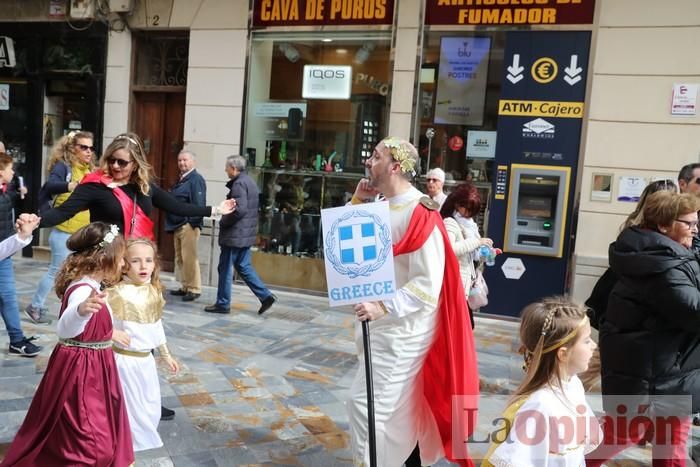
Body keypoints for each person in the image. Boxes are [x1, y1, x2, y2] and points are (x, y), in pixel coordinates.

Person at [346, 137, 479, 467]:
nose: (368, 161)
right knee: (395, 406)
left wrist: (384, 306)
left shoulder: (422, 211)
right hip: (378, 325)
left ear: (394, 167)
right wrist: (358, 202)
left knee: (368, 404)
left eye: (376, 156)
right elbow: (350, 249)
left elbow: (427, 282)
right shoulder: (377, 203)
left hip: (404, 326)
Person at [0, 222, 134, 467]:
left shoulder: (94, 286)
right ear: (103, 257)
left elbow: (92, 326)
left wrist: (108, 331)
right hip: (81, 372)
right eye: (122, 258)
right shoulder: (82, 290)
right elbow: (65, 328)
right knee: (90, 441)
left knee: (83, 426)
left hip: (95, 366)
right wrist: (81, 312)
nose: (124, 264)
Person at [586, 191, 700, 466]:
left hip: (660, 371)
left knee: (661, 443)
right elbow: (694, 312)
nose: (695, 230)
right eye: (689, 223)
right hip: (658, 376)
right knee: (647, 442)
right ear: (663, 225)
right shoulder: (664, 265)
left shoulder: (655, 252)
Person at [38, 132, 234, 238]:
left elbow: (178, 206)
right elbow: (63, 212)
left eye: (122, 162)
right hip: (105, 258)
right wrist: (36, 222)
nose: (115, 165)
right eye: (112, 160)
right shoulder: (95, 186)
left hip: (136, 259)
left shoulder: (145, 187)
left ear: (135, 164)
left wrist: (216, 210)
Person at [482, 296, 601, 466]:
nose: (594, 346)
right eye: (587, 340)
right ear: (563, 354)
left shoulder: (573, 385)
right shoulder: (540, 406)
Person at [109, 238, 179, 452]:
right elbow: (100, 321)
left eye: (148, 260)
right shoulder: (117, 292)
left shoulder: (153, 291)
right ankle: (124, 447)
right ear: (124, 264)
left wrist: (165, 354)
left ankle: (132, 443)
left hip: (145, 361)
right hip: (124, 361)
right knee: (130, 407)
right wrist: (111, 332)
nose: (143, 266)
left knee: (149, 404)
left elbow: (156, 325)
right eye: (136, 261)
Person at [26, 130, 95, 324]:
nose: (88, 152)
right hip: (64, 231)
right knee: (56, 271)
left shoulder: (90, 169)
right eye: (84, 147)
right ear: (73, 148)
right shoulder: (64, 167)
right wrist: (70, 185)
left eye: (91, 148)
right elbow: (50, 185)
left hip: (85, 233)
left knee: (82, 274)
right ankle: (35, 306)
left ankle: (75, 309)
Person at [204, 155, 277, 315]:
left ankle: (223, 303)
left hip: (235, 235)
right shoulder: (249, 181)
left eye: (227, 167)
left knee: (225, 268)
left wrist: (224, 221)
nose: (225, 169)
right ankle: (265, 296)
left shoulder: (238, 184)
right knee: (244, 266)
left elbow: (240, 209)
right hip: (245, 234)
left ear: (234, 168)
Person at [0, 152, 41, 357]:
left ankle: (17, 340)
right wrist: (21, 236)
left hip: (4, 256)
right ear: (1, 172)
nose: (13, 172)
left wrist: (20, 231)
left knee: (8, 297)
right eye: (10, 168)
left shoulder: (5, 194)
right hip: (3, 252)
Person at [165, 149, 206, 302]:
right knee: (180, 258)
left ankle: (194, 288)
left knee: (190, 258)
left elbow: (199, 204)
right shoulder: (183, 179)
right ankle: (185, 286)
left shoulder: (196, 179)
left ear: (193, 162)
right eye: (180, 160)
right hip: (178, 224)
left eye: (185, 160)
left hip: (188, 225)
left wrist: (192, 223)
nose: (182, 163)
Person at [439, 183, 493, 296]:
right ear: (458, 204)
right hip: (453, 282)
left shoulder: (469, 224)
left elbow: (472, 254)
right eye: (468, 209)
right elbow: (450, 249)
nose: (469, 213)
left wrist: (487, 252)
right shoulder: (450, 222)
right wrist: (478, 242)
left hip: (463, 281)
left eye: (473, 210)